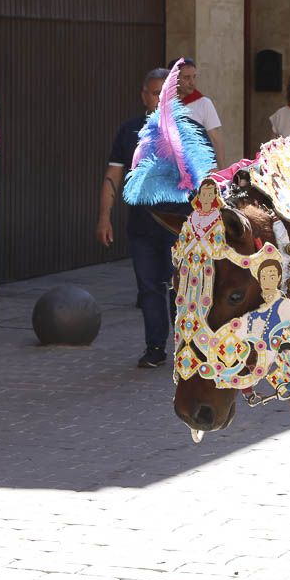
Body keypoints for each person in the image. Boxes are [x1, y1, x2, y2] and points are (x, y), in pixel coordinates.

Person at [95, 67, 180, 368]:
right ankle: (155, 346)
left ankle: (185, 347)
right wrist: (104, 216)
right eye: (155, 93)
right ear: (144, 95)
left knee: (179, 289)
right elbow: (113, 175)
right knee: (148, 287)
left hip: (178, 227)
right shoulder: (129, 131)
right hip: (141, 226)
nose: (160, 99)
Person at [172, 57, 223, 167]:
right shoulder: (163, 104)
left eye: (194, 77)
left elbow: (215, 140)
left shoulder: (204, 103)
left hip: (199, 167)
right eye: (187, 78)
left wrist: (222, 171)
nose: (192, 82)